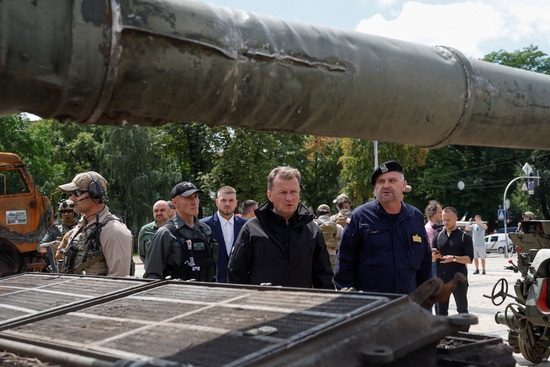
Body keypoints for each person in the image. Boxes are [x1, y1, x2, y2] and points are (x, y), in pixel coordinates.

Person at [333, 160, 431, 295]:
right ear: (375, 187)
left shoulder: (415, 217)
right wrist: (352, 302)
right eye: (381, 181)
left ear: (403, 185)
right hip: (371, 307)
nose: (386, 185)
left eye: (392, 181)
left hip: (408, 305)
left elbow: (424, 264)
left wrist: (424, 300)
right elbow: (344, 265)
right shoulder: (360, 217)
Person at [227, 166, 333, 289]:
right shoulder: (251, 229)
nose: (289, 198)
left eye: (293, 192)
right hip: (261, 306)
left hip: (302, 305)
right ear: (270, 195)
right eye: (282, 192)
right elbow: (235, 274)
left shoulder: (313, 231)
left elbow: (324, 278)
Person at [56, 171, 133, 276]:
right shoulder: (79, 229)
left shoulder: (113, 231)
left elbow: (119, 282)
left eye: (77, 193)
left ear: (96, 193)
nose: (72, 198)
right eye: (71, 194)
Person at [144, 182, 216, 281]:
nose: (194, 202)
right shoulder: (165, 233)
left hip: (206, 293)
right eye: (188, 198)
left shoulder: (205, 230)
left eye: (196, 197)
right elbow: (152, 275)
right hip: (176, 294)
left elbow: (212, 270)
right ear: (174, 203)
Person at [432, 206, 474, 316]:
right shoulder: (437, 237)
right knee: (441, 311)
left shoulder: (464, 237)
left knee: (462, 309)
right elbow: (431, 258)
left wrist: (454, 258)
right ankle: (443, 332)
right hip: (442, 279)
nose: (445, 222)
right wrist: (433, 257)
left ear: (456, 219)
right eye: (444, 219)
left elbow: (469, 259)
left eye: (448, 220)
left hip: (459, 279)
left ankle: (464, 332)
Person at [201, 186, 247, 283]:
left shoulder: (246, 226)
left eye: (231, 200)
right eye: (223, 200)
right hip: (213, 284)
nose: (227, 204)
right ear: (217, 202)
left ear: (236, 203)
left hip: (239, 284)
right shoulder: (203, 226)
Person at [37, 199, 78, 268]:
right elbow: (40, 248)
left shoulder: (81, 227)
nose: (66, 214)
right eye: (63, 212)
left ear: (74, 212)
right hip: (61, 267)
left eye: (69, 211)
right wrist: (53, 244)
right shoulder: (55, 230)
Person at [137, 200, 171, 269]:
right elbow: (142, 254)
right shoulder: (145, 230)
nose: (159, 213)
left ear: (169, 212)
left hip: (172, 274)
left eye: (162, 210)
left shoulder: (175, 229)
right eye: (156, 211)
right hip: (151, 274)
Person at [314, 204, 343, 272]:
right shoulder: (338, 227)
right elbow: (344, 243)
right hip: (332, 259)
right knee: (332, 281)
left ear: (318, 214)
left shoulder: (313, 225)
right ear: (329, 214)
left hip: (317, 259)